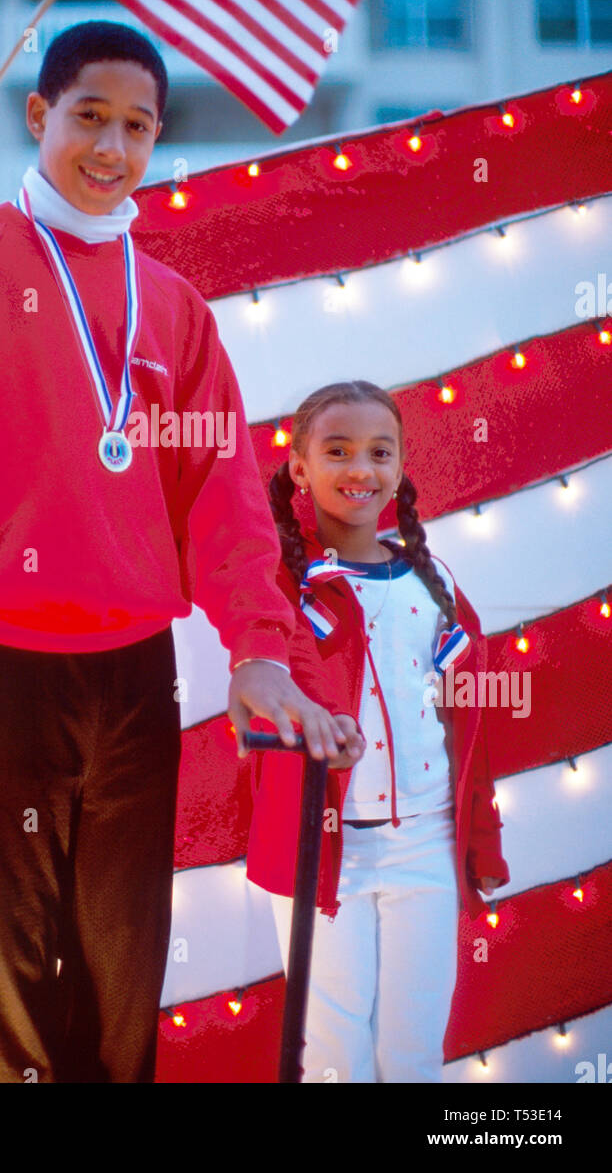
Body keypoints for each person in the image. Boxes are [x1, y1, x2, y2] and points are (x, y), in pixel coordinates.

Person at [0, 21, 349, 1084]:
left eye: (137, 126)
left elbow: (223, 499)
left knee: (120, 960)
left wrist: (258, 648)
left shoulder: (175, 306)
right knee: (3, 962)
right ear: (37, 115)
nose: (111, 147)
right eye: (89, 117)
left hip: (131, 669)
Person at [245, 379, 510, 1083]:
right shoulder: (277, 584)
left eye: (378, 451)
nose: (360, 469)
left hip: (427, 841)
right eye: (337, 451)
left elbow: (470, 725)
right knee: (334, 1061)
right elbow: (269, 679)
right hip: (325, 848)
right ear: (300, 467)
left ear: (399, 465)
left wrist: (478, 834)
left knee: (415, 1052)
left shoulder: (435, 580)